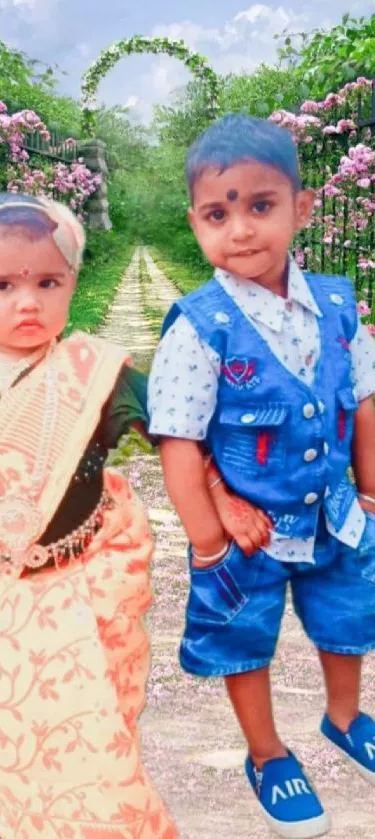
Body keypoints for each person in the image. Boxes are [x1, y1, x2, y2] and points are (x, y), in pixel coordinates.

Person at [148, 114, 375, 839]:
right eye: (218, 213)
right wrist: (209, 539)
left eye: (259, 205)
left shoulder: (338, 306)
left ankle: (344, 714)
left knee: (348, 616)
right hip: (245, 534)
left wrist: (368, 492)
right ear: (195, 223)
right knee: (244, 636)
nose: (240, 229)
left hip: (335, 512)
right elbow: (178, 442)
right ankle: (267, 753)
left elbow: (363, 402)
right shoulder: (199, 326)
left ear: (301, 207)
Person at [0, 192, 182, 839]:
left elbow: (175, 430)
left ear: (71, 285)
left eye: (47, 282)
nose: (27, 301)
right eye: (1, 284)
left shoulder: (93, 372)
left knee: (78, 732)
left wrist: (223, 497)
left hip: (77, 590)